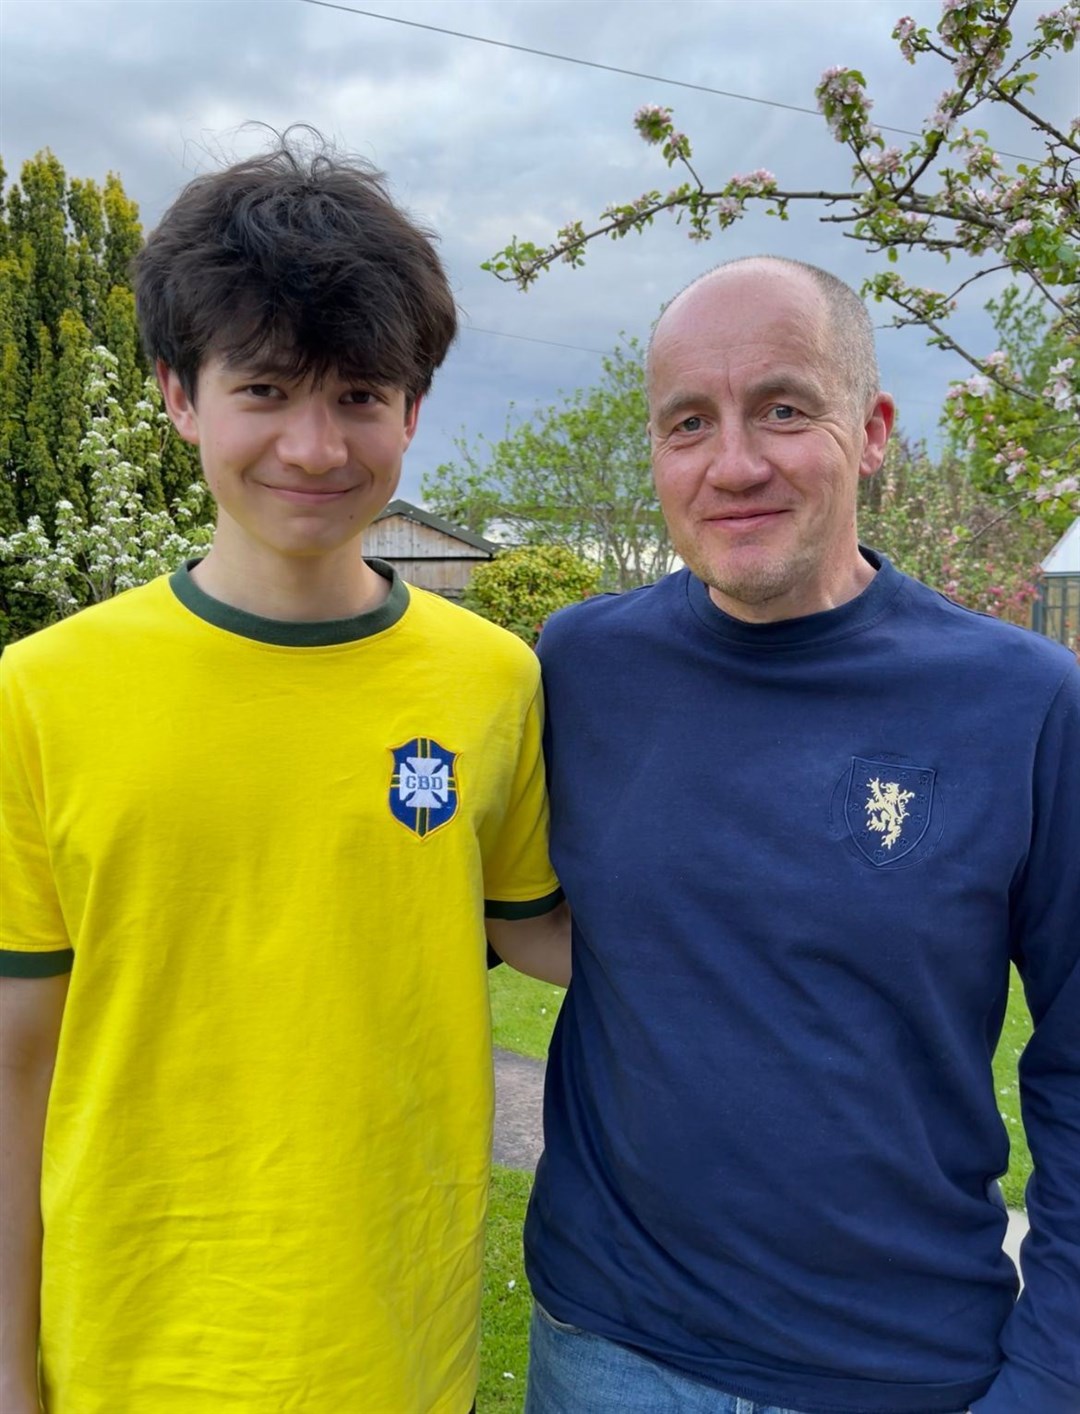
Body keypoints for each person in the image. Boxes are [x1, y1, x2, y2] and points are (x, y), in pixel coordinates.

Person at [0, 135, 567, 1413]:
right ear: (177, 394)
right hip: (130, 1354)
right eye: (263, 390)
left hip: (399, 1348)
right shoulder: (40, 691)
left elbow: (547, 933)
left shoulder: (495, 681)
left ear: (414, 410)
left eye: (360, 396)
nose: (314, 447)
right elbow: (13, 1064)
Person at [524, 257, 1079, 1414]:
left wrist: (1051, 1377)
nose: (735, 463)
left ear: (871, 430)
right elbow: (452, 901)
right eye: (690, 423)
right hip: (603, 1352)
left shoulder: (1023, 703)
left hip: (898, 1371)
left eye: (783, 407)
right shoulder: (578, 667)